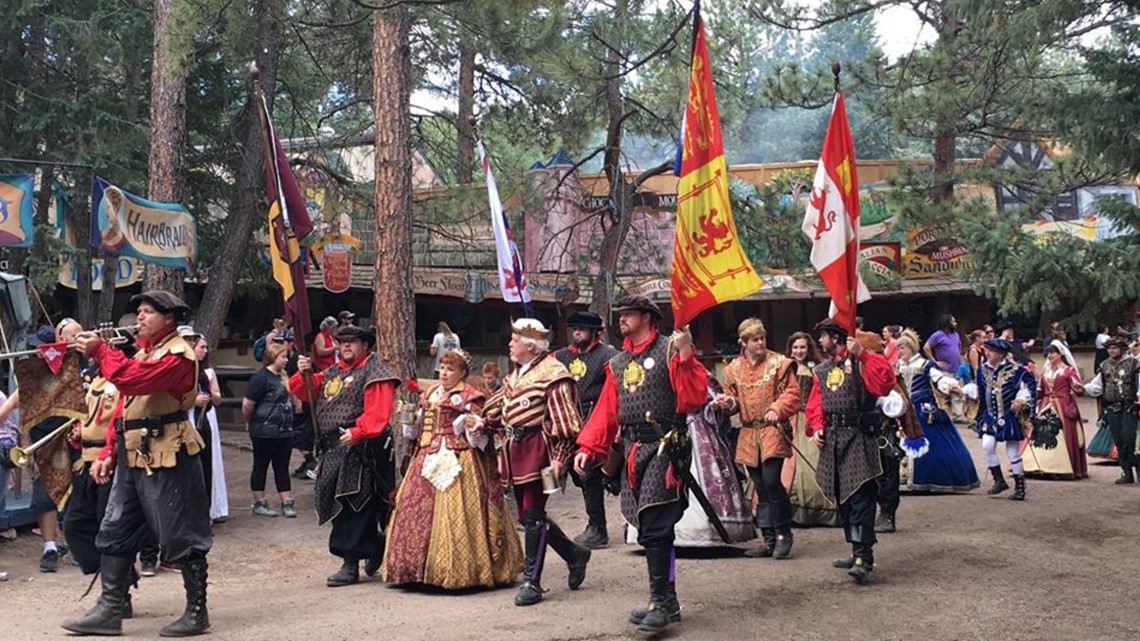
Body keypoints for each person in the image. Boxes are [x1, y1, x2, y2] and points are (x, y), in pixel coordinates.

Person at [63, 291, 212, 637]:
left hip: (168, 454)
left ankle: (196, 611)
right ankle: (110, 609)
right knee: (114, 529)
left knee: (181, 535)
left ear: (169, 319)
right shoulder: (145, 353)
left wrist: (102, 351)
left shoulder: (179, 354)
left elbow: (134, 380)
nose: (139, 318)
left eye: (148, 312)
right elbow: (124, 409)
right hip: (132, 453)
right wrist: (108, 453)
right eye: (139, 312)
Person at [573, 296, 709, 632]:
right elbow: (607, 409)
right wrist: (589, 446)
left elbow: (692, 398)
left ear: (647, 318)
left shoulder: (669, 350)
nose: (621, 319)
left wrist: (686, 354)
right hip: (634, 449)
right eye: (620, 314)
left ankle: (661, 602)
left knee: (656, 524)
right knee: (648, 526)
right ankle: (666, 600)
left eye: (628, 314)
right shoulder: (617, 363)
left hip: (666, 445)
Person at [383, 349, 523, 588]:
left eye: (450, 369)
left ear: (462, 373)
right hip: (426, 454)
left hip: (459, 458)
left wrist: (468, 426)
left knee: (455, 511)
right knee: (414, 507)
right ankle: (413, 570)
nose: (444, 373)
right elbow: (420, 428)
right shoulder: (430, 393)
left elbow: (483, 435)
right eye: (443, 368)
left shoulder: (471, 397)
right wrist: (410, 422)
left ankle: (458, 570)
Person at [481, 318, 590, 608]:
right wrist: (480, 419)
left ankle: (533, 581)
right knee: (526, 517)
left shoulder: (554, 374)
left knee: (533, 516)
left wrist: (559, 459)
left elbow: (566, 423)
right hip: (514, 450)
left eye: (514, 340)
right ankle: (574, 554)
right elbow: (498, 405)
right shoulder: (518, 373)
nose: (509, 344)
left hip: (541, 452)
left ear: (530, 345)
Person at [291, 325, 399, 587]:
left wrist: (359, 432)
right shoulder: (333, 371)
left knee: (354, 503)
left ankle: (350, 563)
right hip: (333, 448)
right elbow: (306, 391)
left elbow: (377, 413)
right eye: (341, 342)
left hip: (361, 449)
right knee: (338, 502)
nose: (345, 346)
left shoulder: (375, 373)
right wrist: (304, 371)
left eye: (352, 342)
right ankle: (374, 546)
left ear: (365, 345)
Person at [804, 318, 895, 585]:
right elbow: (816, 403)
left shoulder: (862, 362)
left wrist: (863, 355)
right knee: (843, 499)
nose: (819, 342)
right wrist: (818, 426)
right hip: (833, 439)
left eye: (823, 337)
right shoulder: (822, 369)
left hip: (859, 437)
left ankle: (863, 558)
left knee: (860, 499)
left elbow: (885, 383)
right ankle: (854, 549)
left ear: (835, 337)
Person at [716, 318, 800, 559]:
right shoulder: (733, 369)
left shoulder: (779, 364)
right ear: (743, 343)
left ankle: (784, 533)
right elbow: (731, 399)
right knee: (760, 486)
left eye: (762, 338)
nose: (761, 342)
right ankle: (769, 538)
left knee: (772, 480)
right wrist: (726, 403)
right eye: (755, 339)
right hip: (749, 433)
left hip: (773, 430)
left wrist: (777, 408)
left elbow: (793, 393)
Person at [553, 310, 619, 549]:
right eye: (575, 328)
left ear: (594, 332)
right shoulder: (559, 356)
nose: (577, 332)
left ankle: (597, 528)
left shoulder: (609, 356)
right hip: (568, 420)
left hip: (598, 417)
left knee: (592, 474)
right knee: (577, 474)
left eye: (582, 329)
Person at [896, 330, 980, 493]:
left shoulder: (924, 364)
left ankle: (928, 478)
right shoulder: (899, 365)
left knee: (932, 442)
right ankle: (903, 474)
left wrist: (951, 386)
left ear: (911, 348)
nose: (900, 352)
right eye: (898, 349)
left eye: (903, 348)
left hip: (923, 408)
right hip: (904, 407)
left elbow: (939, 379)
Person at [964, 338, 1035, 501]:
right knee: (987, 445)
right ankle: (999, 480)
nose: (987, 353)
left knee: (1012, 452)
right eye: (987, 350)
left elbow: (1027, 388)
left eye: (991, 351)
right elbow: (979, 391)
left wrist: (1021, 400)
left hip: (1009, 417)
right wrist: (963, 391)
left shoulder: (1017, 370)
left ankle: (1019, 487)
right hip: (990, 416)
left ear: (1001, 354)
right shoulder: (982, 371)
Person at [782, 332, 838, 527]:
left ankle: (814, 510)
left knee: (811, 463)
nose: (799, 351)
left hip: (808, 419)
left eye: (802, 347)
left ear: (809, 348)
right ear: (790, 349)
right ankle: (784, 511)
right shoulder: (783, 368)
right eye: (795, 347)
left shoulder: (817, 369)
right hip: (787, 419)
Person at [243, 342, 297, 517]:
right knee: (261, 465)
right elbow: (248, 404)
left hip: (285, 430)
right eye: (283, 356)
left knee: (282, 466)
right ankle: (259, 501)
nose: (286, 360)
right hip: (264, 431)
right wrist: (250, 421)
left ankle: (286, 502)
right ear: (274, 357)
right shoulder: (260, 378)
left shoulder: (284, 377)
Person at [1021, 341, 1088, 480]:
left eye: (1053, 352)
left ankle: (1062, 466)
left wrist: (1077, 388)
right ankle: (1037, 465)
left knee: (1063, 434)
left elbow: (1077, 386)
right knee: (1040, 431)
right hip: (1046, 404)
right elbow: (1040, 390)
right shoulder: (1045, 371)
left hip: (1063, 404)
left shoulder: (1068, 370)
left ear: (1060, 354)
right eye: (1048, 353)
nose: (1049, 356)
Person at [184, 330, 228, 523]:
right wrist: (193, 400)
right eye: (201, 347)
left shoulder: (207, 372)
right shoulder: (182, 370)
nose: (205, 350)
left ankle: (209, 509)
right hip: (188, 419)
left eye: (205, 347)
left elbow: (216, 396)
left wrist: (212, 396)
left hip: (204, 420)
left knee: (207, 463)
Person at [1084, 336, 1140, 483]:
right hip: (1111, 408)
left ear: (1122, 349)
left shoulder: (1134, 364)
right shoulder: (1104, 365)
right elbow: (1097, 386)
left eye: (1115, 348)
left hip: (1130, 407)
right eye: (1109, 348)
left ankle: (1138, 469)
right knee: (1119, 440)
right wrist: (1082, 389)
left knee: (1130, 439)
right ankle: (1126, 472)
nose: (1112, 351)